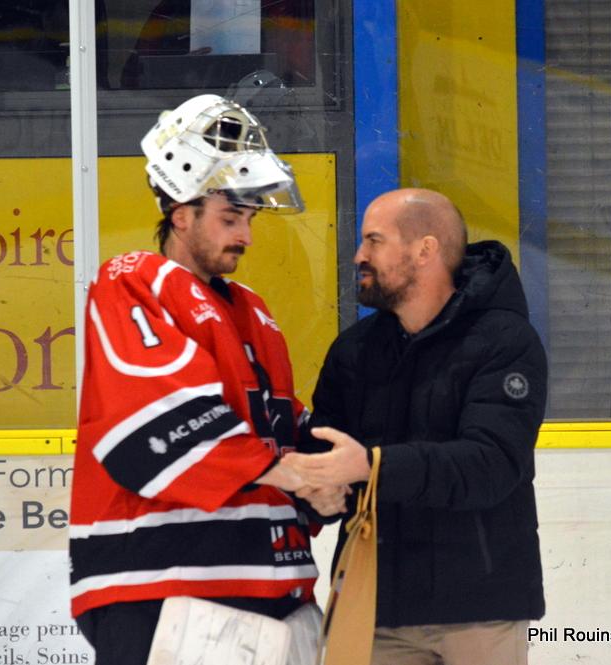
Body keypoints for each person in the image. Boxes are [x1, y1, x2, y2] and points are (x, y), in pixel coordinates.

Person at [68, 94, 345, 665]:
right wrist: (296, 473)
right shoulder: (134, 282)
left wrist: (328, 481)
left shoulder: (253, 310)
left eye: (249, 219)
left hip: (274, 592)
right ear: (181, 213)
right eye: (229, 218)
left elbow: (275, 428)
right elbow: (157, 420)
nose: (245, 235)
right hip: (167, 590)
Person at [284, 188, 548, 665]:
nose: (359, 256)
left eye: (374, 241)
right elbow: (326, 455)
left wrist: (371, 466)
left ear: (425, 250)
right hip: (374, 609)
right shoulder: (354, 350)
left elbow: (490, 464)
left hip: (480, 612)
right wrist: (320, 492)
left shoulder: (505, 341)